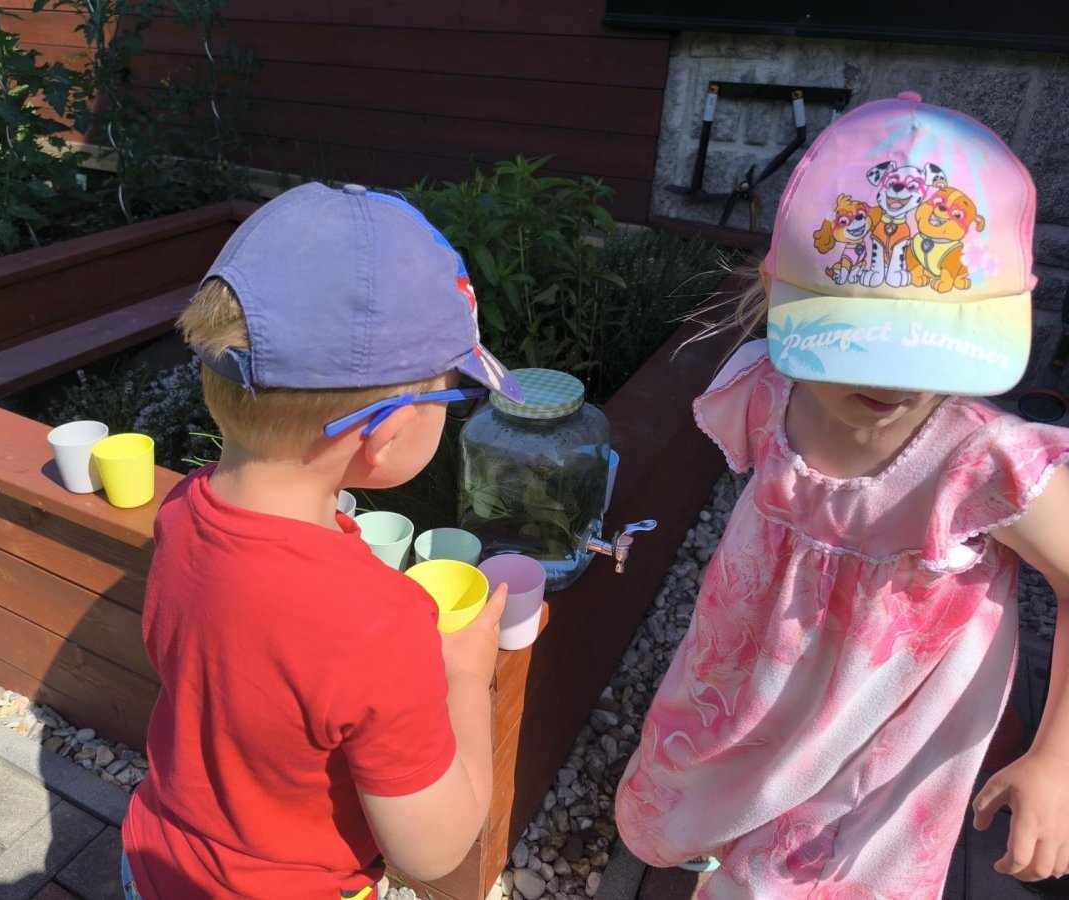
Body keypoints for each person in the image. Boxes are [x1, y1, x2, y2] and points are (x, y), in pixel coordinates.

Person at [615, 92, 1069, 898]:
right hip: (748, 697)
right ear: (776, 289)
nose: (893, 382)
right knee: (700, 821)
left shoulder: (978, 461)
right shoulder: (766, 392)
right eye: (858, 343)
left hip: (872, 744)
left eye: (928, 352)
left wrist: (1058, 760)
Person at [120, 182, 525, 900]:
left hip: (154, 863)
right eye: (452, 395)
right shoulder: (380, 624)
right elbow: (433, 851)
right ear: (387, 434)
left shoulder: (184, 510)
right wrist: (464, 675)